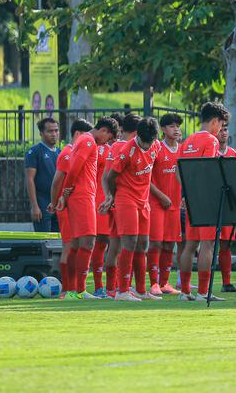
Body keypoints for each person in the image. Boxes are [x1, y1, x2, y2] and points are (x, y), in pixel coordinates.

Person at [51, 116, 117, 299]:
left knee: (77, 244)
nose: (107, 142)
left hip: (82, 196)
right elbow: (74, 169)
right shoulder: (88, 142)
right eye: (108, 137)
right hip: (81, 197)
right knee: (88, 242)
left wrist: (65, 195)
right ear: (103, 131)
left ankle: (72, 290)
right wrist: (65, 195)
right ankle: (79, 290)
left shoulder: (85, 141)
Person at [100, 117, 159, 301]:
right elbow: (110, 177)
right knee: (129, 242)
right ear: (137, 136)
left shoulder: (155, 145)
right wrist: (112, 196)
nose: (148, 145)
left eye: (151, 142)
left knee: (143, 244)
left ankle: (141, 290)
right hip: (126, 199)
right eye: (145, 142)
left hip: (143, 201)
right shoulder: (127, 151)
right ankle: (122, 291)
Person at [177, 102, 229, 302]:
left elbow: (179, 171)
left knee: (190, 245)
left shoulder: (188, 140)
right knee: (207, 245)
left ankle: (185, 292)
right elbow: (208, 169)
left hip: (190, 199)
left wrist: (187, 194)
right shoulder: (211, 141)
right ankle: (203, 293)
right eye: (221, 125)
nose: (220, 130)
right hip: (206, 199)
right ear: (215, 121)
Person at [96, 113, 131, 298]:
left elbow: (105, 177)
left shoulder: (111, 148)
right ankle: (116, 287)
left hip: (110, 200)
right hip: (119, 201)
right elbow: (108, 176)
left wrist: (108, 196)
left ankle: (112, 288)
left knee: (111, 246)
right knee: (118, 245)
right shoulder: (123, 148)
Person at [147, 113, 183, 295]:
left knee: (170, 245)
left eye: (178, 126)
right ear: (162, 129)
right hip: (157, 204)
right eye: (171, 126)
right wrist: (161, 197)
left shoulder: (183, 150)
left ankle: (165, 283)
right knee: (155, 244)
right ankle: (153, 284)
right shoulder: (156, 148)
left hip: (175, 205)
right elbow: (147, 178)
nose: (176, 129)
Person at [215, 122, 236, 292]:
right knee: (208, 244)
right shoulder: (209, 152)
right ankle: (193, 285)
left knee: (226, 243)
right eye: (220, 130)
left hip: (228, 204)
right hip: (212, 202)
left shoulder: (234, 153)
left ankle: (226, 282)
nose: (224, 133)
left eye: (225, 130)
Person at [25, 118, 62, 233]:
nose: (54, 134)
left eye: (56, 130)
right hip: (42, 204)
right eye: (50, 131)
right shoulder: (34, 152)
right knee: (44, 243)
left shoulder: (60, 152)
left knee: (58, 242)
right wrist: (35, 206)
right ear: (41, 133)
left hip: (58, 204)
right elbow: (29, 179)